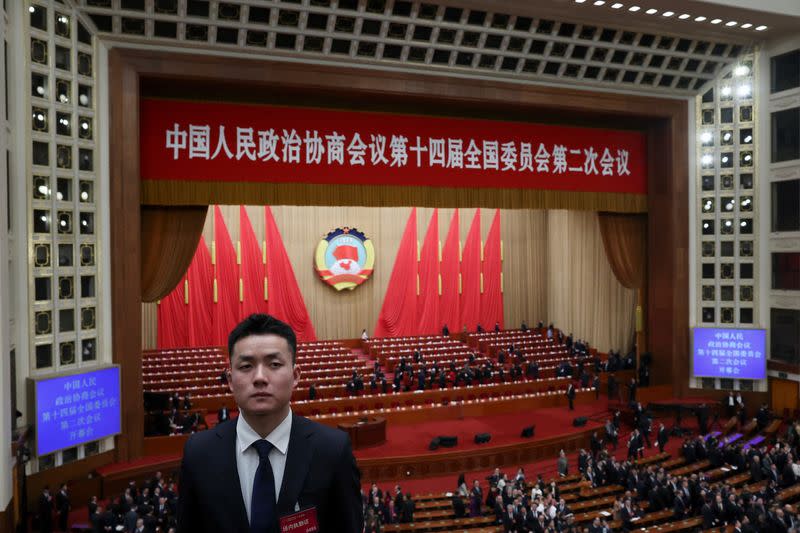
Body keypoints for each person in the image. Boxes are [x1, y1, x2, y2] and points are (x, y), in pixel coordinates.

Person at [177, 313, 363, 533]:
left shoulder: (332, 449)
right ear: (229, 380)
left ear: (295, 376)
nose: (259, 377)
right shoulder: (199, 452)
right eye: (246, 366)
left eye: (274, 364)